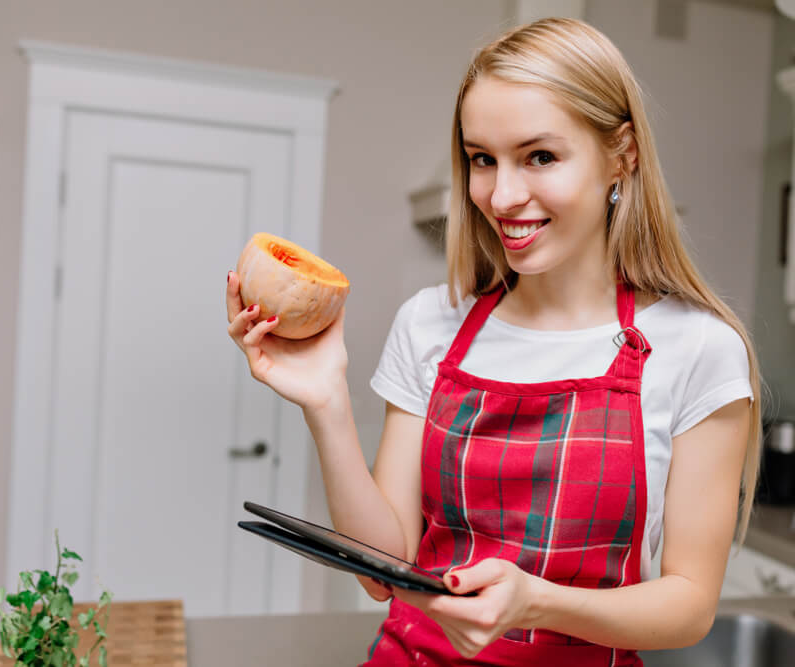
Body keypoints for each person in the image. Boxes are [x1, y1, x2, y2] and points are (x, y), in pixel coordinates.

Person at [226, 17, 762, 666]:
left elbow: (688, 604)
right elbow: (380, 573)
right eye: (483, 159)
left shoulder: (699, 348)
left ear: (623, 154)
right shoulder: (430, 324)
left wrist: (537, 601)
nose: (502, 195)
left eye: (540, 155)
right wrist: (325, 401)